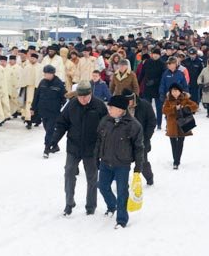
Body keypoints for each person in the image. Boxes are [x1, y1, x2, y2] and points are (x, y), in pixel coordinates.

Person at [49, 81, 108, 216]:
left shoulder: (99, 106)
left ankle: (91, 206)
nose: (83, 99)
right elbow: (62, 123)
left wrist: (103, 146)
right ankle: (69, 203)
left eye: (85, 97)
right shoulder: (71, 105)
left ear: (90, 94)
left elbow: (106, 127)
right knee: (69, 173)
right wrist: (54, 140)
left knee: (92, 178)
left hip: (91, 149)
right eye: (80, 97)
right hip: (74, 147)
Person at [95, 95, 144, 229]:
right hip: (105, 162)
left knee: (122, 191)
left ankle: (122, 220)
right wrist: (96, 158)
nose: (109, 109)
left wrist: (138, 167)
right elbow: (99, 141)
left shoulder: (133, 125)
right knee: (102, 186)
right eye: (109, 107)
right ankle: (112, 205)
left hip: (122, 164)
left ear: (121, 109)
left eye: (112, 107)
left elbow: (139, 148)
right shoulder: (105, 121)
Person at [31, 64, 66, 158]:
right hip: (43, 110)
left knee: (50, 130)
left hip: (54, 111)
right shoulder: (42, 82)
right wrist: (33, 108)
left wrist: (64, 111)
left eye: (47, 74)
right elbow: (36, 96)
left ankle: (46, 148)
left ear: (52, 74)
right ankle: (55, 145)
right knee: (47, 128)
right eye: (45, 73)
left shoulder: (59, 84)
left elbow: (64, 98)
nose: (46, 75)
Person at [122, 89, 155, 185]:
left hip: (141, 140)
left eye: (129, 101)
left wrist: (146, 137)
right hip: (124, 140)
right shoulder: (121, 107)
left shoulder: (144, 105)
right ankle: (122, 181)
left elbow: (152, 122)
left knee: (142, 162)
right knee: (122, 163)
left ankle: (149, 178)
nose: (128, 103)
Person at [162, 84, 198, 169]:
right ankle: (176, 160)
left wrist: (185, 108)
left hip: (183, 124)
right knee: (173, 144)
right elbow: (164, 110)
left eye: (176, 91)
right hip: (172, 125)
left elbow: (195, 106)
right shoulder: (168, 100)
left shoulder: (185, 99)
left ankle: (176, 161)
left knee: (180, 143)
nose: (174, 93)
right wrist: (174, 109)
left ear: (180, 91)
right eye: (173, 91)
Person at [158, 57, 188, 129]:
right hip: (168, 96)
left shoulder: (180, 73)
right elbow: (162, 84)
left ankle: (179, 125)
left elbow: (185, 85)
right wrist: (161, 93)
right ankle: (169, 125)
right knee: (168, 111)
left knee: (178, 111)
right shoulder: (165, 73)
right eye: (168, 64)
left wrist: (186, 93)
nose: (169, 65)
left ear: (175, 64)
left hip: (178, 96)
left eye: (170, 63)